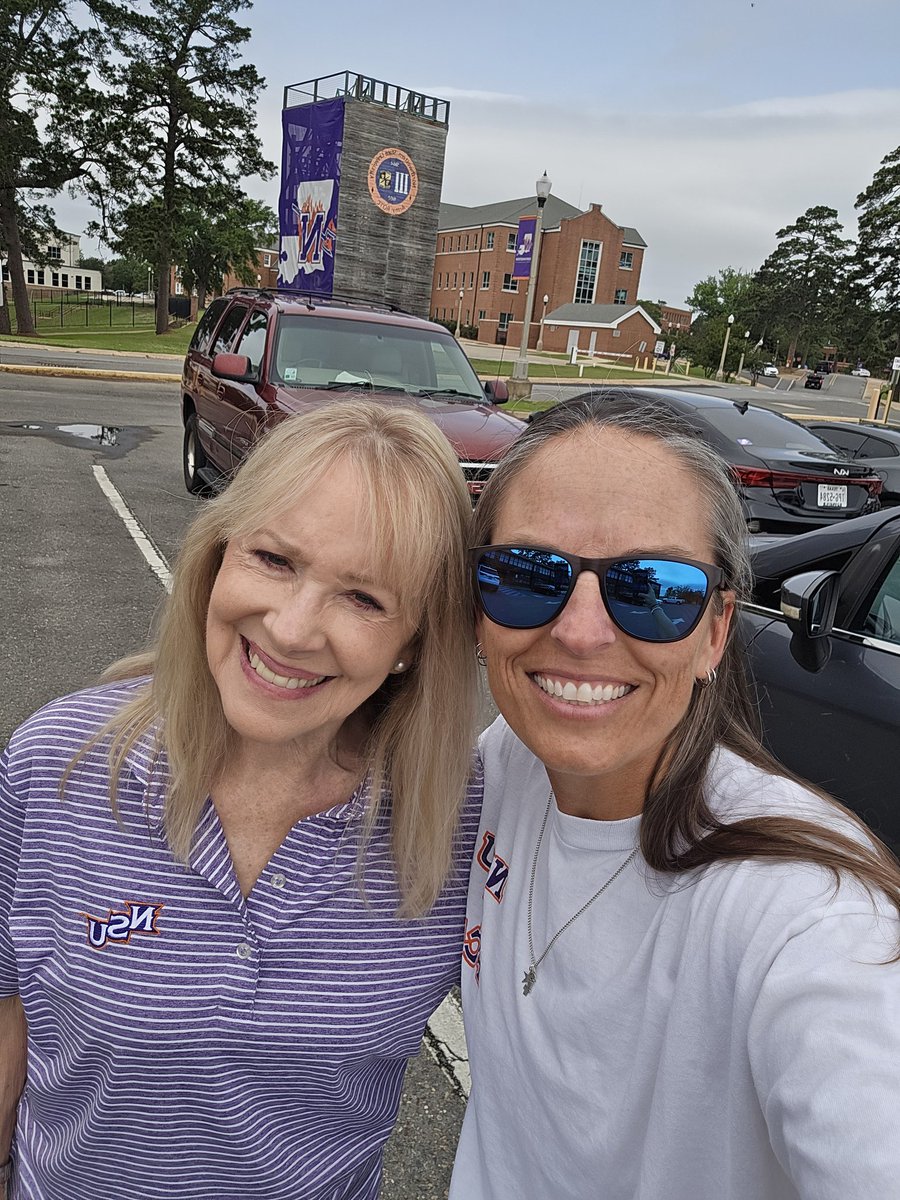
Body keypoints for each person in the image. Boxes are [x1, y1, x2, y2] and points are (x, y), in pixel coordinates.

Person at [0, 400, 481, 1200]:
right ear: (216, 558)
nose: (292, 629)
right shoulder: (60, 761)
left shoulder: (459, 817)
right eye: (273, 559)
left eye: (364, 598)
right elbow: (6, 999)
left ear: (415, 643)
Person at [451, 389, 900, 1200]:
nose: (582, 633)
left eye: (651, 589)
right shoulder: (510, 762)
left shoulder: (809, 917)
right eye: (527, 574)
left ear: (717, 632)